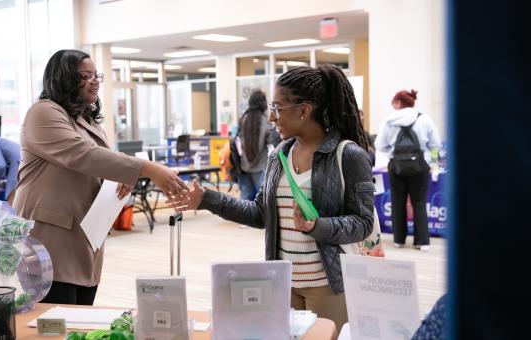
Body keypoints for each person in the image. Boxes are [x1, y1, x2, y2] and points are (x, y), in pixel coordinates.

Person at [167, 65, 375, 331]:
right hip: (282, 282)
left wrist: (317, 226)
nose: (271, 117)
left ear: (304, 110)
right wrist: (207, 199)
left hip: (328, 286)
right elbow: (259, 213)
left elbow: (363, 222)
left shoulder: (348, 155)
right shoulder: (280, 155)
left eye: (277, 108)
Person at [13, 49, 187, 306]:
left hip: (84, 234)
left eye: (97, 76)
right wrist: (146, 168)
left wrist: (120, 177)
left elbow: (102, 159)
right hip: (49, 237)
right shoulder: (43, 113)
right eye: (86, 75)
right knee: (55, 319)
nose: (94, 81)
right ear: (64, 78)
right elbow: (82, 155)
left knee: (81, 314)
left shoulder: (87, 119)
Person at [375, 90, 441, 251]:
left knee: (397, 202)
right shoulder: (424, 119)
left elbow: (379, 145)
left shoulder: (389, 121)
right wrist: (432, 161)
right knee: (419, 203)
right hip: (420, 166)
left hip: (396, 167)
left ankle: (399, 240)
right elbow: (436, 145)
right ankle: (422, 242)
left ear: (398, 103)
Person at [237, 90, 271, 200]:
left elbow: (237, 141)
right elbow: (270, 143)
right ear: (262, 103)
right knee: (262, 198)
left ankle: (242, 217)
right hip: (260, 166)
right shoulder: (266, 121)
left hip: (244, 166)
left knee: (244, 199)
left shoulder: (243, 118)